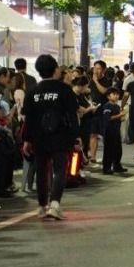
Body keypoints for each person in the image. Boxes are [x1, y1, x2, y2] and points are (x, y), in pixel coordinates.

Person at [21, 55, 79, 220]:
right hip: (60, 135)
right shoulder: (64, 89)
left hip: (39, 137)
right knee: (60, 169)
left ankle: (41, 206)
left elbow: (28, 119)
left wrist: (27, 139)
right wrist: (76, 137)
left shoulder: (32, 91)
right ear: (55, 70)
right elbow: (72, 115)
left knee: (41, 170)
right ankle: (54, 205)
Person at [100, 88, 127, 175]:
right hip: (109, 131)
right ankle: (106, 168)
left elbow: (119, 118)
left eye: (117, 94)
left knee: (118, 150)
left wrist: (122, 117)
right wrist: (119, 115)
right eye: (114, 94)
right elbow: (107, 118)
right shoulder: (107, 106)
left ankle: (117, 166)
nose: (116, 96)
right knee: (109, 150)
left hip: (116, 131)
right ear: (108, 96)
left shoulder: (117, 106)